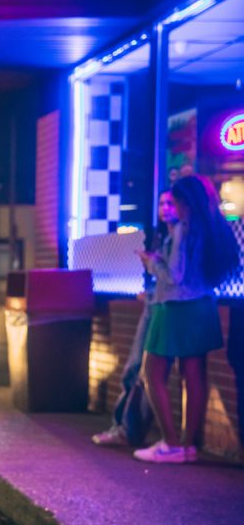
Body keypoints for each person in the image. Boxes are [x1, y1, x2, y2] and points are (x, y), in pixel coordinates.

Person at [134, 174, 240, 463]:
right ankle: (187, 445)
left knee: (152, 372)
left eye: (176, 201)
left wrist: (152, 262)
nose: (173, 207)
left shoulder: (184, 229)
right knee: (194, 376)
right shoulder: (213, 228)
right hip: (202, 306)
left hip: (176, 308)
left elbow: (175, 275)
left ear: (185, 202)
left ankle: (170, 442)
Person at [91, 191, 177, 447]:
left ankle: (132, 431)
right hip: (154, 303)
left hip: (167, 309)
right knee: (134, 369)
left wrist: (151, 263)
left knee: (145, 371)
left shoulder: (181, 237)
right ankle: (126, 429)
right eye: (161, 203)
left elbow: (173, 276)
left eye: (171, 203)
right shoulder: (162, 235)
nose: (165, 208)